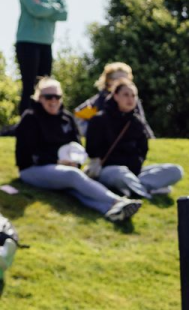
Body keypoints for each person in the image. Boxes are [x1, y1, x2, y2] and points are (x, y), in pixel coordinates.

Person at [15, 78, 140, 222]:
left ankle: (111, 211)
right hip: (33, 169)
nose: (53, 100)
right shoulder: (30, 119)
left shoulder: (67, 118)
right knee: (72, 176)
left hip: (63, 170)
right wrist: (57, 161)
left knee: (74, 188)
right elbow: (27, 154)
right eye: (49, 97)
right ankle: (117, 201)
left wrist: (76, 162)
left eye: (57, 96)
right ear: (39, 98)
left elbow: (78, 146)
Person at [84, 80, 183, 199]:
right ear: (115, 96)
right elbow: (92, 149)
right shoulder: (99, 119)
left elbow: (143, 150)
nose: (130, 99)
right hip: (109, 170)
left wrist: (135, 164)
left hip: (135, 172)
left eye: (133, 95)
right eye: (126, 95)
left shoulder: (137, 122)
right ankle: (146, 192)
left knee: (175, 170)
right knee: (120, 173)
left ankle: (133, 188)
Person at [16, 0, 68, 113]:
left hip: (46, 42)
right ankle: (26, 119)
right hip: (27, 41)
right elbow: (34, 9)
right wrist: (54, 8)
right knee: (29, 83)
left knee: (45, 83)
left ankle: (43, 118)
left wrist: (44, 7)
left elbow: (64, 14)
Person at [74, 62, 152, 137]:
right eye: (118, 79)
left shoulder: (132, 97)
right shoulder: (99, 100)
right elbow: (78, 114)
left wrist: (150, 137)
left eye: (126, 79)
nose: (122, 82)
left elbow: (142, 121)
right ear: (108, 80)